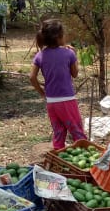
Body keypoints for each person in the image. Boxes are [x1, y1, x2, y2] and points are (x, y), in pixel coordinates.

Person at [29, 19, 87, 149]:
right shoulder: (69, 53)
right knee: (78, 133)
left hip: (51, 102)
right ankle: (86, 163)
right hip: (67, 100)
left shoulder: (40, 55)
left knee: (59, 134)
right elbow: (75, 74)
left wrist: (42, 93)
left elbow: (32, 77)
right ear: (58, 37)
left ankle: (58, 162)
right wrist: (75, 56)